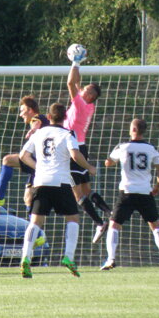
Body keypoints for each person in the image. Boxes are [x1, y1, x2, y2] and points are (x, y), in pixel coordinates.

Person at [19, 103, 96, 278]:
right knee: (73, 219)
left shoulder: (39, 133)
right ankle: (68, 257)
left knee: (35, 222)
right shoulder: (67, 134)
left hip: (41, 182)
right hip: (61, 182)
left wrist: (38, 167)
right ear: (65, 118)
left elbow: (23, 156)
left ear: (49, 115)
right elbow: (75, 155)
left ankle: (25, 257)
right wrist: (89, 167)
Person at [101, 118, 159, 270]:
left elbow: (108, 162)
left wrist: (109, 161)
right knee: (156, 226)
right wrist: (157, 186)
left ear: (132, 130)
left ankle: (110, 259)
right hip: (145, 192)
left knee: (114, 225)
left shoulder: (123, 146)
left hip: (127, 192)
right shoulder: (151, 148)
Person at [64, 53, 111, 243]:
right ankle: (109, 212)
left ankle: (99, 223)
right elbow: (76, 83)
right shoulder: (88, 106)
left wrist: (75, 63)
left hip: (73, 149)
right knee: (87, 189)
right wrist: (77, 66)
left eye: (85, 89)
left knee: (77, 193)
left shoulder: (80, 103)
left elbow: (70, 83)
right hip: (83, 147)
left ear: (90, 95)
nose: (81, 89)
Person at [0, 95, 49, 208]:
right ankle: (34, 225)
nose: (20, 114)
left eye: (22, 110)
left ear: (30, 110)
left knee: (7, 160)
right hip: (38, 162)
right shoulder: (44, 119)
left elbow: (36, 123)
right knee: (29, 198)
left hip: (41, 162)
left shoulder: (37, 118)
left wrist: (32, 130)